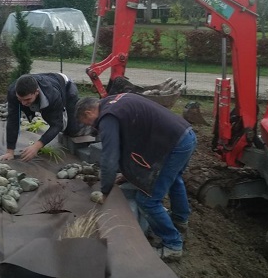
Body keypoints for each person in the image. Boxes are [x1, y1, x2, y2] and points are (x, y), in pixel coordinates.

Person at [75, 93, 196, 261]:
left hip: (173, 145)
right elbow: (133, 137)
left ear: (88, 113)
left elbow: (109, 157)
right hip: (185, 135)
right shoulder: (113, 101)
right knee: (174, 180)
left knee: (147, 201)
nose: (91, 127)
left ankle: (173, 245)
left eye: (86, 122)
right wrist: (125, 175)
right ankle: (180, 221)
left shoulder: (108, 117)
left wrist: (105, 189)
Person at [0, 73, 85, 162]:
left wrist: (37, 146)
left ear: (36, 92)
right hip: (48, 83)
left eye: (27, 99)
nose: (23, 103)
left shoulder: (52, 95)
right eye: (20, 99)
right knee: (56, 122)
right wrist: (10, 151)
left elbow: (57, 125)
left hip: (66, 87)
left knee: (72, 130)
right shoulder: (13, 92)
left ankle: (85, 113)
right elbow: (13, 120)